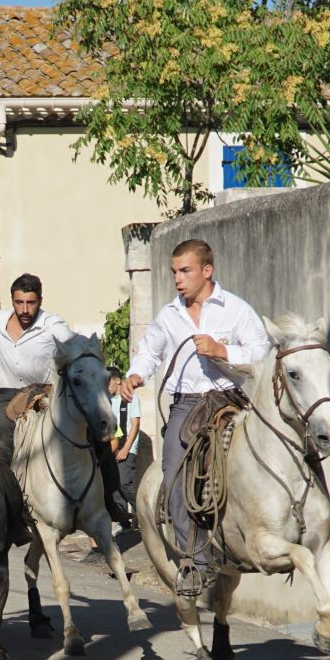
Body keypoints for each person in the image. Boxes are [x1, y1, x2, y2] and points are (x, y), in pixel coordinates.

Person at [0, 258, 130, 524]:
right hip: (8, 397)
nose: (24, 309)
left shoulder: (52, 325)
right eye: (19, 302)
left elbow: (75, 341)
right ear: (12, 300)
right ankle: (4, 511)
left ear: (40, 301)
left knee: (98, 437)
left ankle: (109, 502)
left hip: (45, 395)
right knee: (0, 446)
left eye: (31, 303)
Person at [121, 239, 270, 586]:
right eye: (174, 272)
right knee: (172, 475)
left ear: (206, 270)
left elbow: (261, 353)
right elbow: (150, 351)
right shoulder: (169, 315)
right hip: (186, 406)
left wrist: (222, 350)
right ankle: (197, 561)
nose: (177, 278)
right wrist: (136, 374)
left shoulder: (235, 309)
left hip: (229, 400)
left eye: (185, 271)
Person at [107, 366, 140, 529]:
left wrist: (126, 448)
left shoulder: (131, 397)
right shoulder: (109, 401)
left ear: (117, 380)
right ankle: (124, 522)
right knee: (114, 485)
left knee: (124, 482)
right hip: (113, 449)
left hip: (127, 447)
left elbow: (135, 424)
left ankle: (144, 511)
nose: (107, 386)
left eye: (108, 382)